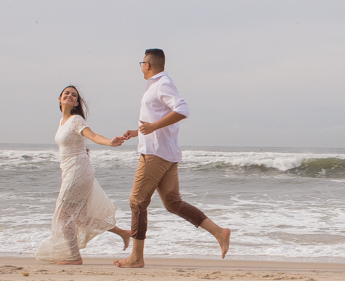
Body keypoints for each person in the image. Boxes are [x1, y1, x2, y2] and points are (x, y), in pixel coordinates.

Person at [114, 49, 230, 268]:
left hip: (155, 153)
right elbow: (157, 118)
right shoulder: (155, 85)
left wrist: (153, 127)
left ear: (148, 64)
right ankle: (219, 232)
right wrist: (138, 132)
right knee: (172, 203)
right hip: (166, 152)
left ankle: (136, 257)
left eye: (142, 63)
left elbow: (183, 110)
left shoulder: (162, 84)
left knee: (137, 201)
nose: (141, 67)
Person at [36, 85, 131, 265]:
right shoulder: (62, 121)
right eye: (66, 93)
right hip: (70, 170)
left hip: (78, 170)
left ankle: (74, 257)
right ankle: (123, 233)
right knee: (79, 216)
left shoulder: (76, 120)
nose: (70, 96)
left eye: (74, 95)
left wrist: (110, 142)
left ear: (76, 103)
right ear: (59, 99)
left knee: (63, 215)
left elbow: (93, 136)